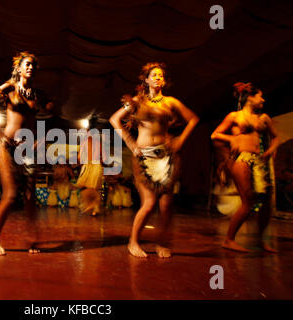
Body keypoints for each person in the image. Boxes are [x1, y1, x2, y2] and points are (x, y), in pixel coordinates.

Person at [109, 62, 198, 258]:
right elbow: (114, 119)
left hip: (165, 156)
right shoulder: (136, 101)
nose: (158, 77)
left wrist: (181, 139)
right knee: (149, 204)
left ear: (164, 81)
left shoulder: (171, 102)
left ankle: (161, 242)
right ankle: (133, 241)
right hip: (144, 156)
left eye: (161, 75)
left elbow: (193, 119)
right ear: (146, 79)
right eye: (154, 75)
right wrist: (131, 143)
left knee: (166, 205)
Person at [0, 51, 53, 255]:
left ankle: (33, 241)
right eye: (27, 64)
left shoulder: (37, 94)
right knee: (10, 195)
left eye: (33, 66)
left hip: (27, 148)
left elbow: (37, 120)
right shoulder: (9, 87)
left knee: (29, 197)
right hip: (8, 146)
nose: (30, 68)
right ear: (18, 68)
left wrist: (38, 141)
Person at [211, 82, 280, 252]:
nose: (263, 99)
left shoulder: (264, 118)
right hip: (241, 158)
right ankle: (229, 239)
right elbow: (215, 134)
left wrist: (270, 149)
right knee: (248, 200)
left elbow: (276, 137)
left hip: (258, 159)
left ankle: (261, 240)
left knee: (264, 203)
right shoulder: (234, 116)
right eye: (260, 96)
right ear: (250, 98)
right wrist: (232, 139)